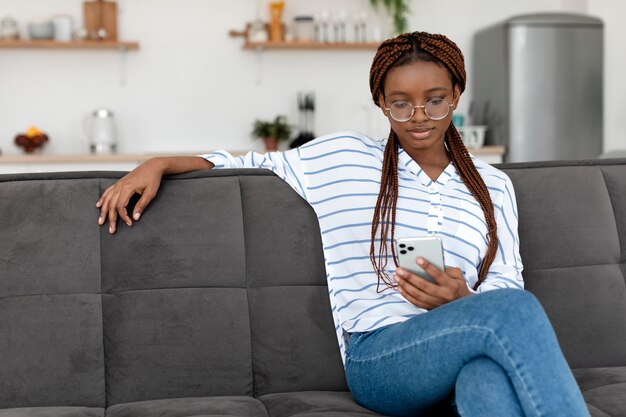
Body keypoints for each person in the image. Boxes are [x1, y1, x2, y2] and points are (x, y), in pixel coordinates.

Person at [96, 31, 590, 417]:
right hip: (379, 356)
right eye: (400, 102)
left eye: (435, 99)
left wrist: (461, 302)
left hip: (461, 342)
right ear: (380, 101)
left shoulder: (493, 186)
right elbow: (241, 162)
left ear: (457, 94)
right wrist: (160, 162)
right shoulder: (341, 158)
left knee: (485, 379)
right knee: (518, 312)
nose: (418, 115)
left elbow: (504, 284)